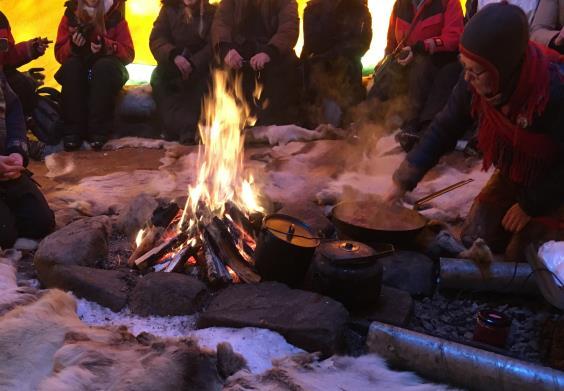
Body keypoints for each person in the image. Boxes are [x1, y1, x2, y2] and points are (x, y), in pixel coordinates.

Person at [386, 3, 564, 261]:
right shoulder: (473, 77)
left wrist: (530, 205)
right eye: (463, 66)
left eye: (475, 71)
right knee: (475, 237)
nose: (467, 78)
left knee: (524, 255)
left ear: (501, 70)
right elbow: (444, 127)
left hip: (555, 182)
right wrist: (402, 181)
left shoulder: (552, 90)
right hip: (517, 172)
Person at [368, 0, 464, 150]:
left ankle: (414, 125)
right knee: (385, 76)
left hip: (437, 60)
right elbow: (392, 40)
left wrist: (423, 46)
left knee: (421, 66)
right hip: (406, 58)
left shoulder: (448, 2)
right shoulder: (400, 5)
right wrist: (387, 58)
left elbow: (454, 38)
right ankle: (365, 124)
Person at [0, 12, 55, 249]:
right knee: (5, 235)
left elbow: (12, 107)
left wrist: (16, 152)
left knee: (40, 222)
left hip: (5, 166)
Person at [54, 0, 134, 151]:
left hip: (107, 67)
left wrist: (107, 46)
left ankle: (99, 132)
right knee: (72, 67)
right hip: (80, 65)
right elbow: (59, 53)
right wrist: (73, 46)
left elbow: (128, 53)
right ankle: (72, 132)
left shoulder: (114, 15)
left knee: (103, 68)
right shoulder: (70, 14)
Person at [211, 0, 300, 126]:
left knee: (288, 65)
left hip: (271, 50)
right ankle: (231, 124)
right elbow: (221, 23)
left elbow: (289, 28)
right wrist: (226, 49)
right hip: (240, 50)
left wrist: (269, 52)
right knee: (218, 68)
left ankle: (274, 124)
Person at [150, 0, 216, 144]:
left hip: (200, 64)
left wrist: (194, 63)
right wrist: (174, 55)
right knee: (159, 78)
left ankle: (188, 131)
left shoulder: (211, 13)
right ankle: (174, 127)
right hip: (174, 60)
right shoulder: (168, 10)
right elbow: (157, 39)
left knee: (201, 83)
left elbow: (214, 44)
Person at [300, 0, 372, 128]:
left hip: (347, 69)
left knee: (340, 121)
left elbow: (363, 44)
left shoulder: (359, 9)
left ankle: (345, 118)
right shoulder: (313, 9)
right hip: (320, 70)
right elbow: (310, 44)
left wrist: (337, 53)